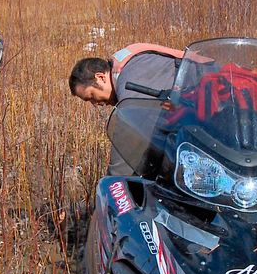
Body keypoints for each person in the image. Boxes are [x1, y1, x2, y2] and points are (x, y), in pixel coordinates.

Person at [69, 43, 183, 175]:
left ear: (100, 77)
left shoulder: (129, 82)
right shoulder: (131, 64)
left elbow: (128, 136)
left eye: (92, 96)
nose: (96, 104)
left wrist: (112, 183)